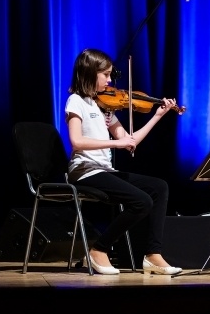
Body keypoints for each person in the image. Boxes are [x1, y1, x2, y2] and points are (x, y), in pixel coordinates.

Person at [65, 48, 182, 275]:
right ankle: (99, 249)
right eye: (106, 75)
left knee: (159, 187)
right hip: (85, 171)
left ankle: (152, 255)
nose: (110, 81)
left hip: (104, 170)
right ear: (89, 73)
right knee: (141, 201)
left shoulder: (104, 106)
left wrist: (158, 116)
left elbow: (128, 140)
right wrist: (115, 144)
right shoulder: (76, 101)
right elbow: (76, 141)